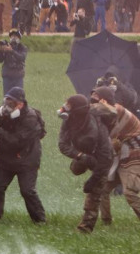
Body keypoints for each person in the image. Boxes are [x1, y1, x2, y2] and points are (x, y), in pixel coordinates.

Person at [0, 87, 47, 224]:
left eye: (11, 103)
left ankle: (40, 220)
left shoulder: (30, 118)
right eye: (6, 101)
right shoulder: (2, 112)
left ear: (20, 105)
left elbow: (17, 140)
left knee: (27, 191)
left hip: (26, 159)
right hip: (5, 159)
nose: (6, 105)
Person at [58, 94, 113, 233]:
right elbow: (63, 144)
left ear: (77, 110)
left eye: (69, 105)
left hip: (101, 159)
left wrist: (93, 180)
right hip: (83, 154)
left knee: (94, 194)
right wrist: (79, 155)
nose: (65, 108)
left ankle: (85, 228)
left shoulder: (98, 127)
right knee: (75, 169)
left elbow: (105, 159)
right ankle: (81, 162)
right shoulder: (69, 119)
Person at [91, 85, 140, 226]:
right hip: (121, 157)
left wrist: (80, 108)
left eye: (96, 99)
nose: (93, 102)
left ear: (105, 100)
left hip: (135, 154)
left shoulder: (118, 110)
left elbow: (103, 111)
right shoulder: (105, 118)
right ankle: (106, 222)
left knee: (130, 192)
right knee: (102, 189)